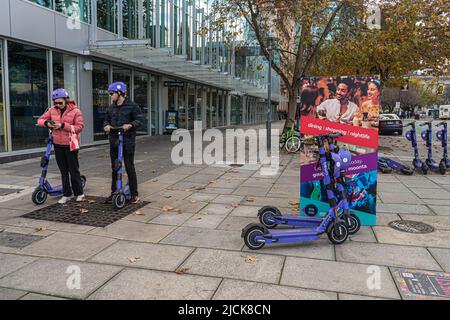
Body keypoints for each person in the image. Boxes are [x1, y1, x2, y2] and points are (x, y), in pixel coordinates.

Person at [37, 88, 85, 204]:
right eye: (55, 103)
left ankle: (80, 193)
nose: (58, 105)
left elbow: (79, 128)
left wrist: (63, 125)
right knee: (63, 171)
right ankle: (67, 194)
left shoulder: (76, 111)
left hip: (70, 145)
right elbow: (40, 120)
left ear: (66, 100)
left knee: (73, 170)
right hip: (57, 144)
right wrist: (47, 123)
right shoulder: (52, 110)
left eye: (60, 102)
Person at [103, 82, 144, 204]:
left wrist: (130, 125)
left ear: (119, 93)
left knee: (129, 167)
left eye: (112, 93)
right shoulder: (111, 107)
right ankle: (114, 192)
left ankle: (134, 194)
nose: (111, 96)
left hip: (127, 141)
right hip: (114, 141)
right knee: (115, 167)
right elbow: (106, 119)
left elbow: (140, 120)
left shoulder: (132, 106)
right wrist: (106, 125)